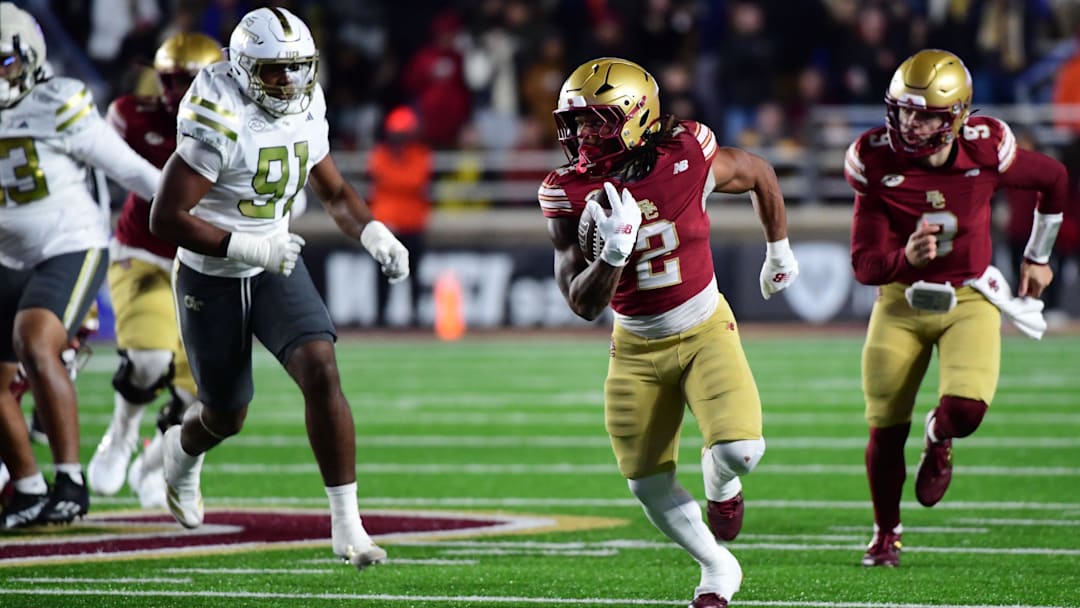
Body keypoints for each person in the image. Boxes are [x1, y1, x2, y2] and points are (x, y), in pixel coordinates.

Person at [149, 6, 406, 570]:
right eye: (274, 72)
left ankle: (348, 526)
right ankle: (180, 451)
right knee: (225, 415)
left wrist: (372, 232)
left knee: (321, 366)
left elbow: (334, 191)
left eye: (297, 69)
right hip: (213, 273)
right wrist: (245, 246)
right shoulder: (218, 110)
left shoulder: (306, 102)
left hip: (275, 262)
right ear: (242, 69)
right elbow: (165, 217)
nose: (289, 83)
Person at [538, 57, 799, 608]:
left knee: (743, 451)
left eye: (596, 121)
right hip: (633, 346)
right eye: (576, 124)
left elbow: (758, 173)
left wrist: (779, 250)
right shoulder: (566, 190)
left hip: (704, 327)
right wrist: (612, 252)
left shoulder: (688, 152)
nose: (582, 136)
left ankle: (721, 482)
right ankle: (716, 567)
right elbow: (582, 304)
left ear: (636, 117)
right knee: (644, 483)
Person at [844, 49, 1068, 567]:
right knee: (885, 425)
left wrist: (1037, 256)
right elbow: (864, 264)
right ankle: (885, 532)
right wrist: (905, 257)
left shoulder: (987, 150)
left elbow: (1053, 179)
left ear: (958, 118)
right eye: (902, 110)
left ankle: (939, 436)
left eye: (925, 114)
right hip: (901, 300)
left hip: (970, 296)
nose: (910, 123)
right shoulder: (874, 160)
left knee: (966, 412)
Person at [0, 2, 160, 529]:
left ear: (29, 58)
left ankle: (70, 480)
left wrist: (192, 213)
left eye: (2, 63)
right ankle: (26, 487)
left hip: (70, 244)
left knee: (34, 339)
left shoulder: (58, 102)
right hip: (7, 255)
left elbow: (129, 169)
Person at [86, 33, 225, 509]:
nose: (173, 91)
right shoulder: (130, 113)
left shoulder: (237, 121)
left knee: (201, 397)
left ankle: (152, 462)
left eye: (185, 81)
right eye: (168, 79)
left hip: (207, 265)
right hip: (143, 252)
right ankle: (121, 434)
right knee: (147, 360)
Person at [367, 105, 433, 327]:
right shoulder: (380, 155)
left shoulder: (420, 155)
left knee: (414, 273)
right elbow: (381, 174)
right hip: (386, 225)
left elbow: (415, 180)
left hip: (412, 224)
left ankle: (415, 316)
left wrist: (396, 176)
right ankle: (380, 317)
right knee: (382, 275)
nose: (400, 140)